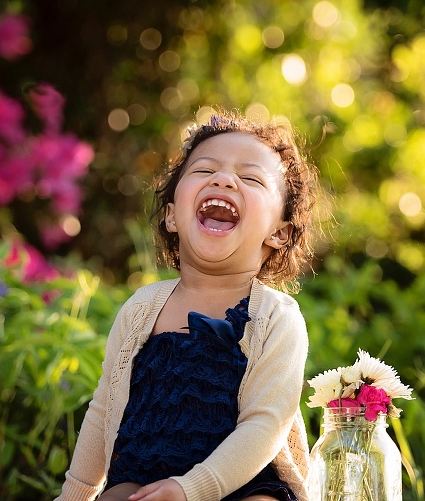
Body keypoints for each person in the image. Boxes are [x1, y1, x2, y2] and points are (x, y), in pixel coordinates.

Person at [55, 109, 319, 501]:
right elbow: (103, 410)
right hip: (142, 480)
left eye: (250, 178)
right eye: (204, 169)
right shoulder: (142, 308)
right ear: (172, 216)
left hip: (244, 482)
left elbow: (267, 424)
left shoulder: (276, 317)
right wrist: (74, 496)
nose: (224, 179)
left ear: (279, 233)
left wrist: (192, 488)